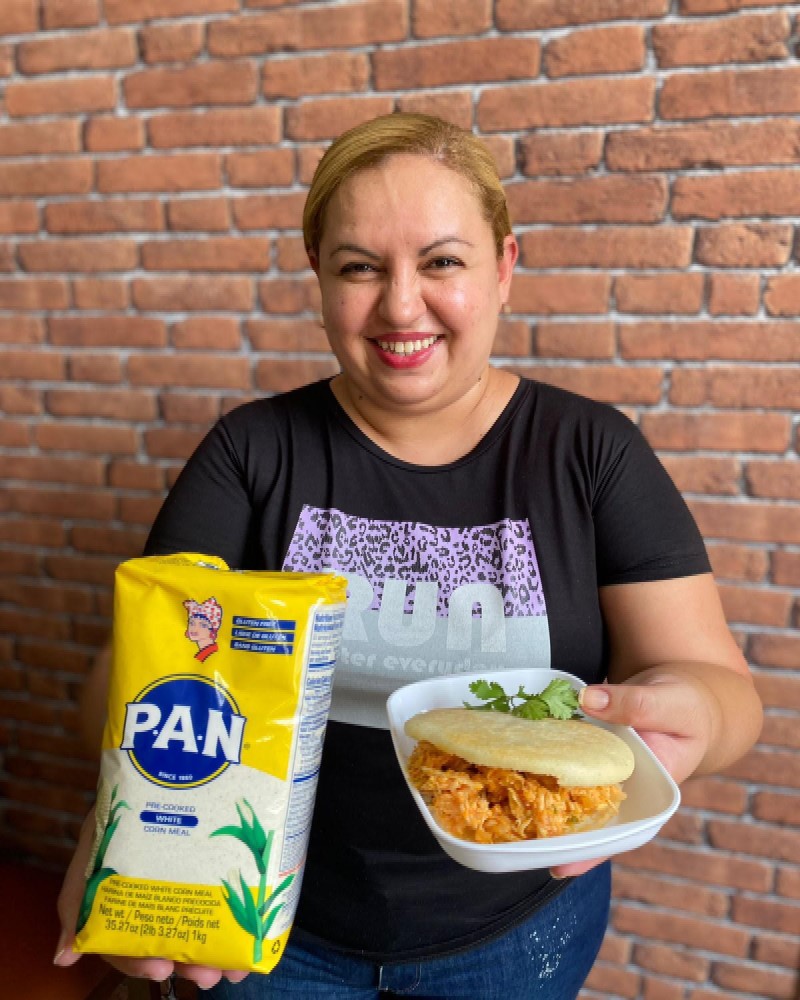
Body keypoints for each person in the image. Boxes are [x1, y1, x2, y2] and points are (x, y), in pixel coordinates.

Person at [55, 112, 763, 999]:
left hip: (516, 935)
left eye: (442, 262)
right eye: (359, 267)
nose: (399, 305)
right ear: (318, 275)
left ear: (503, 267)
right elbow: (124, 686)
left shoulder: (589, 452)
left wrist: (684, 714)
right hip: (265, 921)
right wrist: (130, 821)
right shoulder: (252, 451)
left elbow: (721, 689)